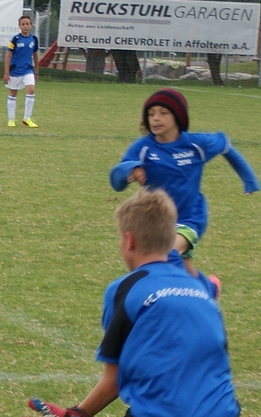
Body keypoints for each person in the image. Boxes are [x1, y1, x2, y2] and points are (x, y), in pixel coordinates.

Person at [23, 187, 240, 417]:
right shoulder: (197, 286)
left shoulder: (125, 289)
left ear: (129, 241)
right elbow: (210, 285)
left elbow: (114, 379)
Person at [110, 88, 258, 277]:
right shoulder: (143, 148)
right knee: (183, 267)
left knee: (167, 255)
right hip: (157, 222)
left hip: (191, 217)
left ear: (178, 117)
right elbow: (116, 182)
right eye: (151, 114)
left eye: (163, 113)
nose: (155, 118)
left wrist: (249, 180)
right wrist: (129, 169)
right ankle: (207, 291)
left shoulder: (196, 144)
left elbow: (225, 145)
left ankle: (176, 296)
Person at [3, 15, 39, 128]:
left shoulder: (34, 39)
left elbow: (36, 55)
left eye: (27, 24)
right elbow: (8, 56)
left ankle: (27, 119)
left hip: (28, 70)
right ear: (19, 26)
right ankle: (11, 119)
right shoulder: (15, 39)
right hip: (15, 70)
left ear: (31, 25)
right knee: (13, 93)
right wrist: (6, 72)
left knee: (31, 90)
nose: (25, 26)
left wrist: (36, 71)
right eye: (23, 24)